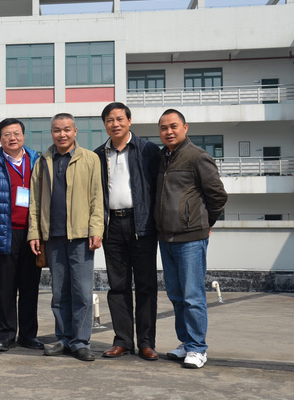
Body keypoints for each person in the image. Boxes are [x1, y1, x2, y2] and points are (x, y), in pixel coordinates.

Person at [27, 113, 104, 362]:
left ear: (75, 131)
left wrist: (96, 229)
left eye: (67, 129)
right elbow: (34, 201)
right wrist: (35, 232)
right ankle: (63, 338)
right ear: (51, 133)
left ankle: (80, 342)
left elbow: (97, 197)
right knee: (59, 293)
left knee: (82, 293)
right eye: (57, 130)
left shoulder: (90, 159)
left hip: (81, 236)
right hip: (53, 237)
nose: (62, 134)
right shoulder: (43, 161)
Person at [155, 108, 227, 369]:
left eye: (173, 126)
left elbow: (218, 196)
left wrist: (205, 223)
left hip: (190, 239)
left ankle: (198, 348)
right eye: (164, 128)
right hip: (166, 238)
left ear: (185, 128)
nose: (169, 131)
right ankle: (186, 343)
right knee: (176, 295)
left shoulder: (197, 156)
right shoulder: (162, 157)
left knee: (193, 296)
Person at [94, 102, 160, 361]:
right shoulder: (99, 155)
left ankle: (146, 343)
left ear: (129, 121)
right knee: (117, 286)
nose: (115, 124)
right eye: (110, 120)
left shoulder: (147, 150)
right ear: (105, 124)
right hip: (112, 226)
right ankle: (122, 340)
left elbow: (158, 187)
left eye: (120, 119)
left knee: (146, 286)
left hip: (141, 224)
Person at [0, 118, 43, 353]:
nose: (12, 138)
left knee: (30, 287)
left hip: (32, 234)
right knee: (6, 288)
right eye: (6, 134)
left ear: (23, 135)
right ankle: (6, 335)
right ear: (0, 139)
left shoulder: (38, 161)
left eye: (16, 133)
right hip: (4, 233)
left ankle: (29, 335)